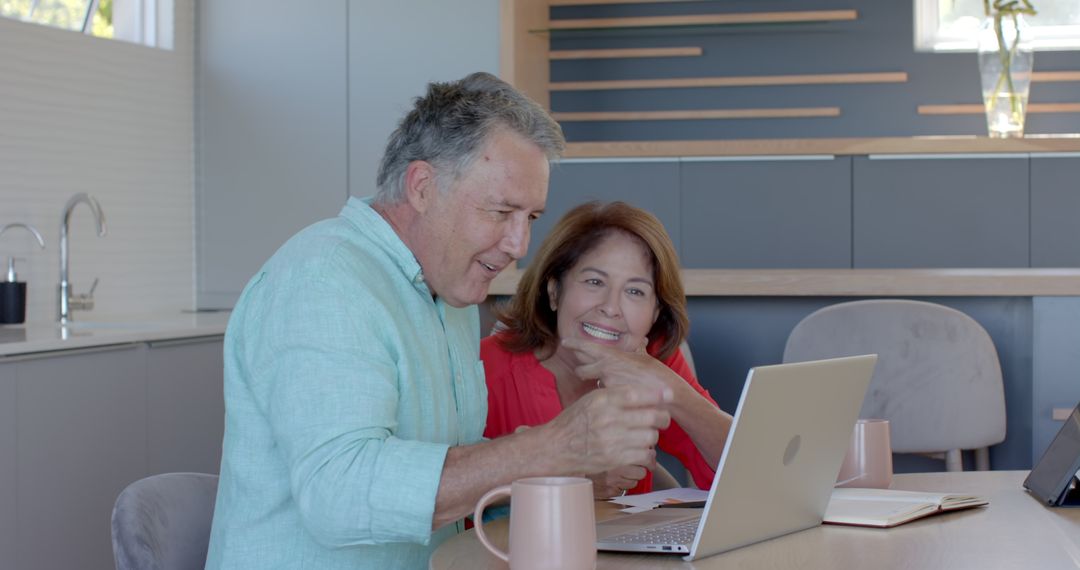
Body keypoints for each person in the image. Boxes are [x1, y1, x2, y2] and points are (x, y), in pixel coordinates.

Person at [204, 72, 675, 570]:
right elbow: (339, 493)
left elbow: (451, 469)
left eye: (531, 218)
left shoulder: (448, 295)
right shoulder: (324, 279)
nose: (519, 245)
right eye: (501, 211)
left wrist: (563, 471)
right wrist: (552, 448)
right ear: (423, 187)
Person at [483, 201, 733, 498]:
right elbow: (448, 500)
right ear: (554, 292)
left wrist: (672, 389)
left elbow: (746, 472)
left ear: (655, 313)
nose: (611, 307)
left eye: (635, 291)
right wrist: (579, 480)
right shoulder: (484, 368)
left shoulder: (652, 359)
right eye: (594, 282)